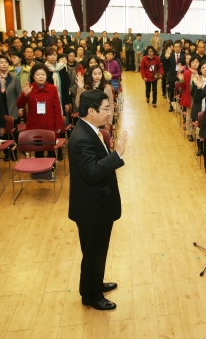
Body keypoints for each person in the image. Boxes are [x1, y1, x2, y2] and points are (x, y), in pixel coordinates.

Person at [68, 88, 128, 311]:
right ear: (90, 110)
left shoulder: (90, 130)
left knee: (97, 251)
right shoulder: (82, 138)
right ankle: (91, 295)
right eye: (105, 109)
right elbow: (92, 172)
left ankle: (95, 283)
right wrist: (117, 155)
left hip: (96, 204)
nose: (109, 113)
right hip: (91, 208)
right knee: (93, 252)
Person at [16, 63, 64, 159]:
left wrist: (58, 125)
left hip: (50, 124)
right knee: (38, 152)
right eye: (38, 75)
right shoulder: (29, 88)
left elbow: (57, 108)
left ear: (46, 75)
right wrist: (25, 95)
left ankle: (51, 173)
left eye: (43, 74)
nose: (41, 77)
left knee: (51, 151)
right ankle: (39, 172)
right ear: (33, 76)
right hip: (35, 125)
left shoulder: (52, 89)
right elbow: (19, 105)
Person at [0, 55, 22, 161]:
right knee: (1, 131)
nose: (4, 64)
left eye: (6, 62)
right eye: (1, 62)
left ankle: (14, 152)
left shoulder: (13, 77)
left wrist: (20, 108)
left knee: (13, 131)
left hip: (12, 106)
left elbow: (18, 93)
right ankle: (6, 152)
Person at [75, 66, 115, 130]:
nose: (97, 76)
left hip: (103, 120)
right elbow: (78, 104)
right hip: (89, 120)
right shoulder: (85, 87)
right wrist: (80, 88)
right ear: (91, 75)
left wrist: (109, 122)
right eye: (95, 74)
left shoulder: (107, 88)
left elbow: (110, 105)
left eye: (99, 74)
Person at [177, 55, 201, 141]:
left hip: (199, 98)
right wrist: (181, 80)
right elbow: (183, 86)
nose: (195, 64)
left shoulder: (201, 72)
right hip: (189, 97)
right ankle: (189, 133)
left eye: (197, 62)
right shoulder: (187, 73)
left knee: (199, 117)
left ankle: (198, 135)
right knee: (189, 116)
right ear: (190, 63)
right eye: (193, 62)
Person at [163, 41, 184, 112]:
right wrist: (166, 58)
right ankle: (171, 106)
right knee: (172, 91)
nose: (177, 48)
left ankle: (180, 106)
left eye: (178, 47)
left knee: (181, 91)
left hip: (180, 75)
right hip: (172, 75)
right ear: (173, 48)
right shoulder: (170, 55)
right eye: (176, 47)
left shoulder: (183, 56)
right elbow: (165, 65)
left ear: (180, 48)